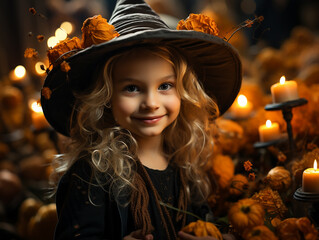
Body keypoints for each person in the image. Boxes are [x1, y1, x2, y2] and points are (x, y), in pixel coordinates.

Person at [41, 0, 242, 239]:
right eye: (132, 88)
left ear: (184, 92)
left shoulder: (183, 160)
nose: (151, 103)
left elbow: (202, 219)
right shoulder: (91, 174)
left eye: (165, 86)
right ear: (105, 97)